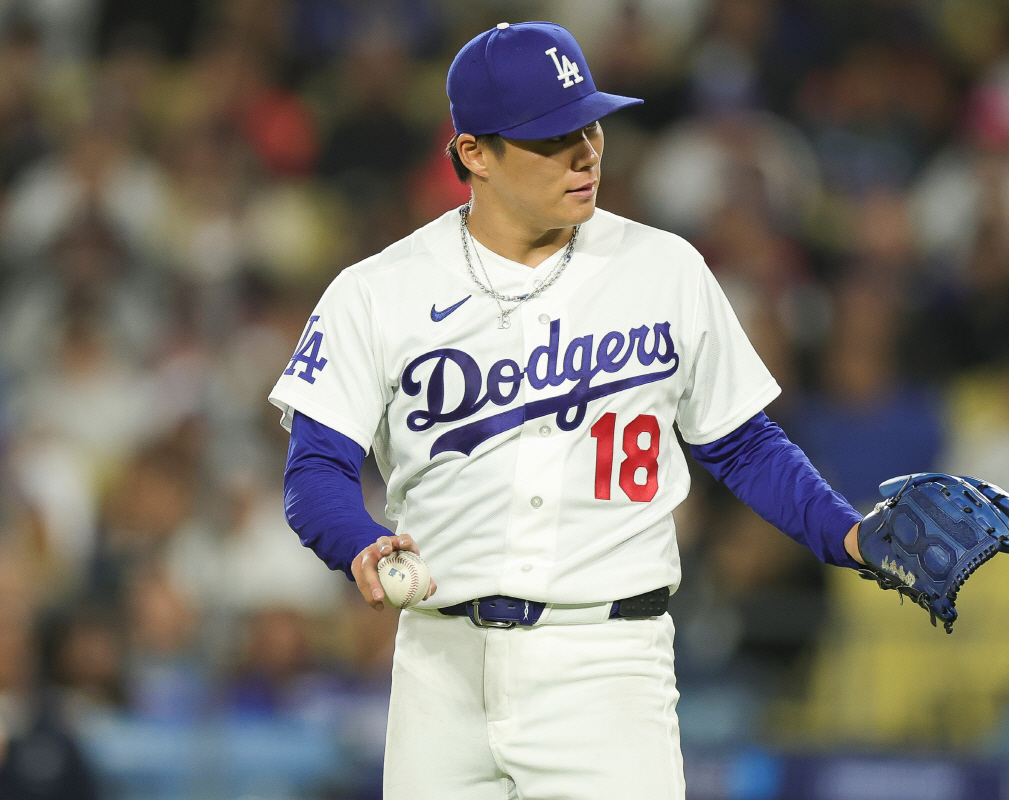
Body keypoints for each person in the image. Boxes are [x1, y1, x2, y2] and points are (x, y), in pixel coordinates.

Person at [270, 22, 864, 799]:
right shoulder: (379, 290)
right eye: (552, 137)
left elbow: (743, 444)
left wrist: (847, 534)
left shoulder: (664, 269)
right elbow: (314, 469)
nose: (586, 152)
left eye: (590, 123)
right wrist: (361, 542)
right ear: (472, 153)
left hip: (608, 664)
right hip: (440, 669)